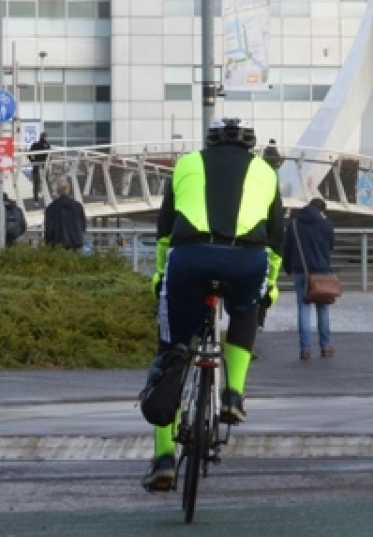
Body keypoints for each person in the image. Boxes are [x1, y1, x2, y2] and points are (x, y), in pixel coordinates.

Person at [136, 118, 283, 491]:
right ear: (248, 146)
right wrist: (270, 288)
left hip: (191, 259)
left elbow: (165, 234)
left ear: (209, 143)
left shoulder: (186, 164)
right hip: (246, 261)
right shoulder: (265, 170)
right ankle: (233, 392)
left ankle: (164, 458)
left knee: (171, 348)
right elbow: (276, 241)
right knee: (247, 307)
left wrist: (160, 281)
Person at [282, 197, 336, 360]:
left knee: (303, 309)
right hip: (321, 272)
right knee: (323, 309)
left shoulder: (294, 225)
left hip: (301, 272)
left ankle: (305, 349)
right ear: (322, 210)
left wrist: (288, 268)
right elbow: (331, 246)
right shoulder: (326, 225)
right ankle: (325, 346)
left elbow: (288, 248)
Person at [43, 179, 88, 252]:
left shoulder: (51, 208)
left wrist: (48, 244)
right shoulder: (77, 206)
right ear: (69, 189)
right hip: (75, 243)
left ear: (58, 190)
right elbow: (83, 225)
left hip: (57, 245)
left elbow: (49, 229)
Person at [27, 131, 52, 200]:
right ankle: (46, 197)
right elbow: (49, 156)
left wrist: (32, 161)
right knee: (45, 182)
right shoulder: (46, 145)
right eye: (46, 137)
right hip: (43, 165)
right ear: (45, 137)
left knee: (37, 183)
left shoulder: (36, 144)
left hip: (37, 165)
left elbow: (29, 154)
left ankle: (36, 199)